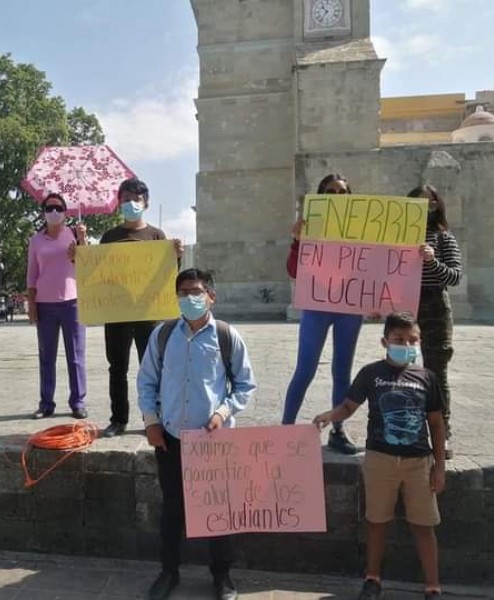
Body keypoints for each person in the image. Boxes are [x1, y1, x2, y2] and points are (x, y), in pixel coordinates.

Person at [138, 268, 256, 600]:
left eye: (196, 291)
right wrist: (151, 421)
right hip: (171, 437)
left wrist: (223, 412)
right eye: (183, 292)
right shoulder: (162, 336)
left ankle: (222, 576)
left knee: (219, 510)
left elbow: (245, 385)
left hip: (213, 441)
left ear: (211, 296)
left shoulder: (226, 336)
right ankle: (168, 571)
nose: (190, 298)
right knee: (172, 508)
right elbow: (147, 380)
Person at [313, 312, 446, 600]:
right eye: (399, 340)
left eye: (412, 340)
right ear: (384, 341)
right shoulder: (371, 373)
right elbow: (349, 406)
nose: (406, 345)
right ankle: (372, 579)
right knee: (376, 521)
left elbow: (436, 423)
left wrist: (439, 468)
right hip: (379, 460)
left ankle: (433, 586)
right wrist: (329, 416)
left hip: (418, 463)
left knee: (424, 525)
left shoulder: (427, 377)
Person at [282, 174, 363, 454]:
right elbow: (293, 271)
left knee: (342, 371)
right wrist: (296, 241)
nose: (337, 196)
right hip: (317, 305)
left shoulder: (362, 228)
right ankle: (286, 429)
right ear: (321, 195)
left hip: (350, 308)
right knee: (305, 369)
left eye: (343, 192)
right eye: (331, 191)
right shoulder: (309, 227)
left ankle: (339, 432)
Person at [100, 177, 182, 438]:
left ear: (145, 202)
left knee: (153, 368)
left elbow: (167, 277)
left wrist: (176, 257)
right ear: (118, 203)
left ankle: (154, 420)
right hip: (117, 313)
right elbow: (98, 275)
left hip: (148, 315)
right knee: (117, 368)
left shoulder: (157, 236)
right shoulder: (109, 237)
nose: (131, 204)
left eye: (136, 199)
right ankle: (118, 419)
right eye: (125, 200)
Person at [408, 185, 462, 459]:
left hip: (435, 307)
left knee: (436, 374)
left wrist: (431, 261)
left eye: (429, 204)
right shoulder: (396, 237)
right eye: (418, 204)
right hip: (405, 309)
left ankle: (443, 435)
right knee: (402, 373)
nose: (424, 209)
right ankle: (408, 432)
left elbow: (454, 277)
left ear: (436, 206)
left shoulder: (443, 237)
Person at [27, 193, 88, 420]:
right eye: (50, 208)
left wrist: (81, 243)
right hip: (45, 303)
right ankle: (46, 403)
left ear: (66, 212)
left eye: (59, 208)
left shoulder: (74, 234)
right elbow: (32, 274)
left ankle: (78, 401)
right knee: (46, 356)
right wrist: (31, 303)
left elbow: (87, 266)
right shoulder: (36, 240)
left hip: (72, 302)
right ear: (43, 212)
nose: (54, 212)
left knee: (76, 356)